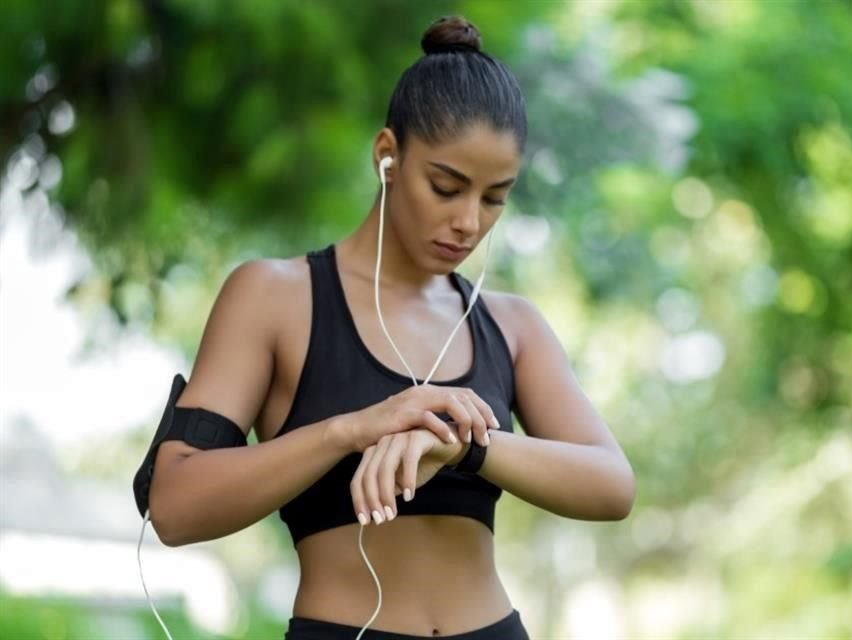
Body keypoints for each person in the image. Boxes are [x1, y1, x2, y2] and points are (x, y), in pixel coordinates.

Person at [142, 15, 635, 640]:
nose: (467, 221)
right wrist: (351, 430)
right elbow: (175, 504)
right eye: (446, 186)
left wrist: (467, 445)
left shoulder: (512, 325)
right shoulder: (275, 297)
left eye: (493, 199)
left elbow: (612, 485)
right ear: (387, 157)